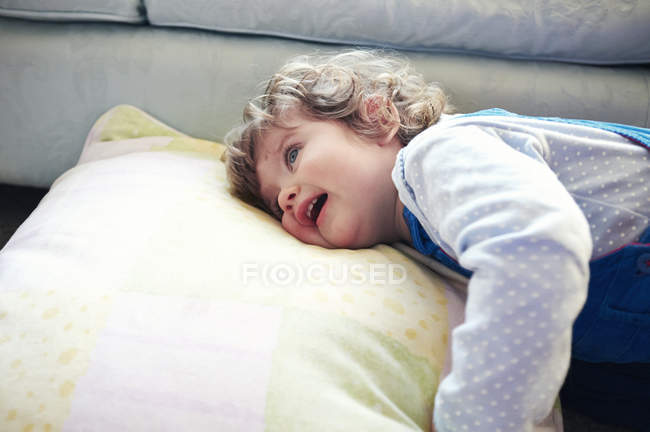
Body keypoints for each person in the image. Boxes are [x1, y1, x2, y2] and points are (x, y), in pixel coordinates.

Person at [225, 50, 650, 432]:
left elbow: (535, 252)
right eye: (274, 204)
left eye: (293, 154)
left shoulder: (437, 155)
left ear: (376, 119)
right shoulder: (413, 244)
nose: (286, 195)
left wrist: (473, 423)